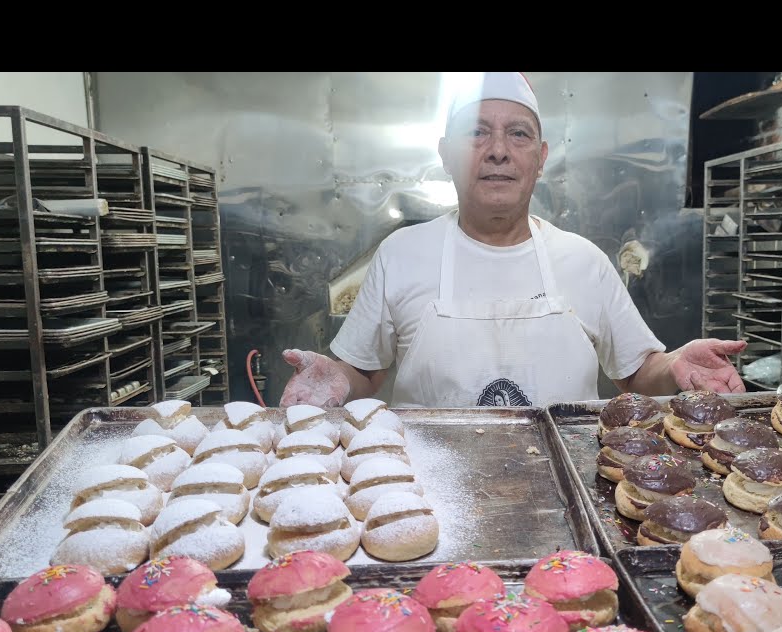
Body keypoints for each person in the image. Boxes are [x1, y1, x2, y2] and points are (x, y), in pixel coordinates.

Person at [280, 72, 746, 409]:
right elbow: (364, 369)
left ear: (540, 158)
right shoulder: (402, 254)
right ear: (446, 154)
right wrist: (335, 375)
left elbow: (637, 371)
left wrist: (678, 363)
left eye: (518, 134)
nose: (498, 149)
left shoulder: (583, 260)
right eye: (477, 132)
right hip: (431, 494)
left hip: (570, 496)